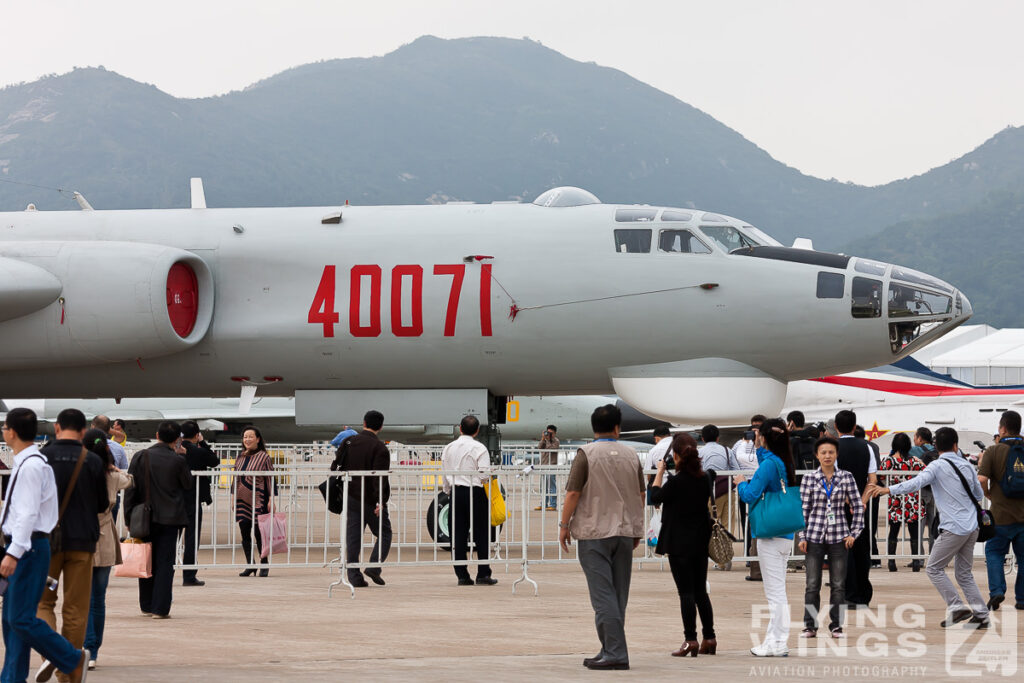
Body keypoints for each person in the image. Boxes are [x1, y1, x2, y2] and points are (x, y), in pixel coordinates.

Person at [866, 427, 990, 628]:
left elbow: (914, 483)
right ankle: (982, 615)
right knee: (964, 573)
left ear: (936, 446)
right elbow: (977, 494)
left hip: (953, 527)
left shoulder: (936, 466)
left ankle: (957, 606)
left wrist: (888, 489)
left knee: (933, 568)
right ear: (956, 445)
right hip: (972, 527)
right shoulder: (966, 466)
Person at [1, 408, 90, 683]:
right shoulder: (29, 462)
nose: (3, 431)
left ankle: (71, 658)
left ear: (12, 432)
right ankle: (13, 678)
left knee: (20, 619)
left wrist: (13, 553)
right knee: (12, 620)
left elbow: (27, 514)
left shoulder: (31, 466)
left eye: (5, 427)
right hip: (28, 546)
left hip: (28, 548)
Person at [559, 404, 645, 671]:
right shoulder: (631, 455)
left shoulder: (586, 454)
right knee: (618, 594)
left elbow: (573, 492)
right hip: (623, 531)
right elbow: (641, 494)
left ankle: (616, 652)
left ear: (593, 428)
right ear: (618, 427)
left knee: (602, 595)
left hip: (594, 532)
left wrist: (563, 525)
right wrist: (636, 528)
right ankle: (609, 647)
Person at [37, 409, 107, 672]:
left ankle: (49, 653)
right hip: (82, 543)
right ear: (83, 431)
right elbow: (102, 504)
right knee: (76, 608)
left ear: (57, 428)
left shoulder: (42, 457)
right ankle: (68, 670)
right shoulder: (92, 461)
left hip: (47, 542)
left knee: (44, 602)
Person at [735, 417, 798, 657]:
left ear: (764, 437)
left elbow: (751, 494)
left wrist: (740, 484)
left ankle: (779, 642)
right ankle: (773, 641)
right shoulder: (782, 461)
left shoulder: (770, 464)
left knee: (775, 593)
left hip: (770, 535)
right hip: (785, 534)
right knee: (777, 590)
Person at [650, 433, 717, 657]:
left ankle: (690, 639)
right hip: (700, 541)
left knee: (685, 593)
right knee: (701, 592)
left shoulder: (676, 482)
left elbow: (655, 496)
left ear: (676, 456)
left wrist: (660, 471)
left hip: (678, 543)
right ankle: (710, 636)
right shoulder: (707, 478)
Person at [798, 437, 863, 639]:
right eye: (823, 452)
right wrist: (802, 536)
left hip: (839, 537)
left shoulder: (846, 477)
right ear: (817, 455)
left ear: (836, 455)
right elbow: (803, 510)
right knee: (812, 584)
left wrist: (854, 533)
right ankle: (810, 625)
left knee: (838, 585)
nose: (827, 456)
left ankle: (836, 625)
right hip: (814, 536)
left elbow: (858, 505)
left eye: (831, 452)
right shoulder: (809, 478)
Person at [125, 421, 191, 618]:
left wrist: (128, 516)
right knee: (165, 562)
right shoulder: (178, 460)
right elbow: (187, 484)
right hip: (171, 518)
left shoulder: (141, 456)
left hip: (144, 516)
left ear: (157, 435)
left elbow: (131, 488)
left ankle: (146, 604)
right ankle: (160, 608)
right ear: (177, 439)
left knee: (145, 559)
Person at [82, 429, 132, 670]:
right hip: (105, 537)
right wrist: (115, 468)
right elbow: (129, 480)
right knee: (98, 599)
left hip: (80, 537)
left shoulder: (78, 472)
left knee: (81, 597)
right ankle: (93, 650)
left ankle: (84, 645)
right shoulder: (111, 475)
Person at [337, 411, 392, 587]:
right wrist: (380, 501)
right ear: (381, 426)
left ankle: (354, 576)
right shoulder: (380, 448)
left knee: (353, 537)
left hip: (351, 496)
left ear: (364, 423)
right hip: (370, 498)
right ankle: (374, 566)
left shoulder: (348, 442)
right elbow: (379, 478)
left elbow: (336, 466)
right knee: (384, 533)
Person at [441, 415, 496, 587]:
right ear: (477, 430)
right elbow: (485, 474)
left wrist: (448, 490)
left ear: (460, 428)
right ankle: (483, 573)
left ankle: (462, 575)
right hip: (476, 493)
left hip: (456, 492)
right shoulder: (480, 448)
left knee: (457, 534)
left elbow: (445, 471)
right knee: (482, 533)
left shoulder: (448, 448)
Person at [977, 410, 1024, 611]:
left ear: (1003, 428)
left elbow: (981, 480)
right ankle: (1022, 599)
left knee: (994, 553)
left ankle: (997, 591)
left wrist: (988, 495)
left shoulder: (993, 451)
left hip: (1001, 516)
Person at [834, 410, 876, 608]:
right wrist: (861, 501)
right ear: (854, 426)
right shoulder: (866, 447)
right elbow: (872, 480)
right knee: (861, 548)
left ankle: (847, 593)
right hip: (861, 506)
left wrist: (847, 500)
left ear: (836, 427)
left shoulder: (832, 448)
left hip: (839, 506)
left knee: (843, 550)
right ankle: (862, 594)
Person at [179, 420, 220, 587]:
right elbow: (215, 461)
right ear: (197, 435)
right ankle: (188, 575)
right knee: (191, 539)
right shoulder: (198, 451)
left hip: (173, 499)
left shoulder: (174, 450)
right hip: (192, 499)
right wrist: (203, 442)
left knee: (170, 539)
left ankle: (165, 571)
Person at [233, 426, 275, 578]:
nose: (247, 440)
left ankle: (264, 563)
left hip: (258, 500)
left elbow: (270, 478)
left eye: (251, 437)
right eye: (245, 437)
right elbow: (235, 479)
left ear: (258, 439)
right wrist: (233, 498)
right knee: (245, 534)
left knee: (259, 533)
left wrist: (271, 498)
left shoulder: (264, 457)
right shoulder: (240, 457)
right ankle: (250, 564)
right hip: (241, 501)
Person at [880, 432, 925, 573]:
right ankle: (916, 561)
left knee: (893, 531)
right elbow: (926, 473)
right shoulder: (914, 461)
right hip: (913, 500)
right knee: (914, 532)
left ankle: (891, 561)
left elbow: (880, 476)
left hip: (896, 500)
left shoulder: (889, 461)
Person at [698, 424, 739, 569]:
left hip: (707, 493)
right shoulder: (727, 451)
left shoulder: (700, 452)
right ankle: (724, 557)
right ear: (718, 438)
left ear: (702, 438)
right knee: (727, 524)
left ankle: (712, 555)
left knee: (708, 525)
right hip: (727, 490)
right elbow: (736, 470)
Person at [734, 415, 765, 581]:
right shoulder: (741, 444)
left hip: (760, 484)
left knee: (760, 522)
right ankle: (749, 554)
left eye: (759, 427)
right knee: (746, 521)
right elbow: (736, 458)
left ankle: (760, 559)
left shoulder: (767, 445)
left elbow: (758, 462)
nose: (755, 430)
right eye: (753, 427)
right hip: (746, 484)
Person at [90, 416, 128, 528]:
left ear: (92, 427)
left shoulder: (84, 446)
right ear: (109, 429)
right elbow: (124, 469)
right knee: (109, 530)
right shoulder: (118, 448)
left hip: (89, 495)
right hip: (112, 495)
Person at [910, 427, 939, 551]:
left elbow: (895, 453)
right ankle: (934, 555)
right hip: (936, 490)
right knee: (934, 525)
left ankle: (919, 557)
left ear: (920, 439)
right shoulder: (937, 450)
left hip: (922, 490)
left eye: (915, 437)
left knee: (919, 524)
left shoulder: (914, 450)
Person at [643, 426, 673, 504]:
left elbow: (649, 475)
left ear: (656, 438)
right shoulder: (680, 445)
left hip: (660, 490)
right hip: (681, 488)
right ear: (669, 434)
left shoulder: (654, 450)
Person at [535, 425, 560, 511]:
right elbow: (539, 447)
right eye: (547, 432)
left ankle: (553, 505)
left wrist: (548, 440)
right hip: (543, 466)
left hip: (551, 466)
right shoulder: (545, 440)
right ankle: (543, 504)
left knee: (552, 487)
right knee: (543, 487)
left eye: (551, 433)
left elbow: (552, 448)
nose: (548, 434)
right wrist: (543, 439)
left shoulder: (556, 441)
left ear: (555, 433)